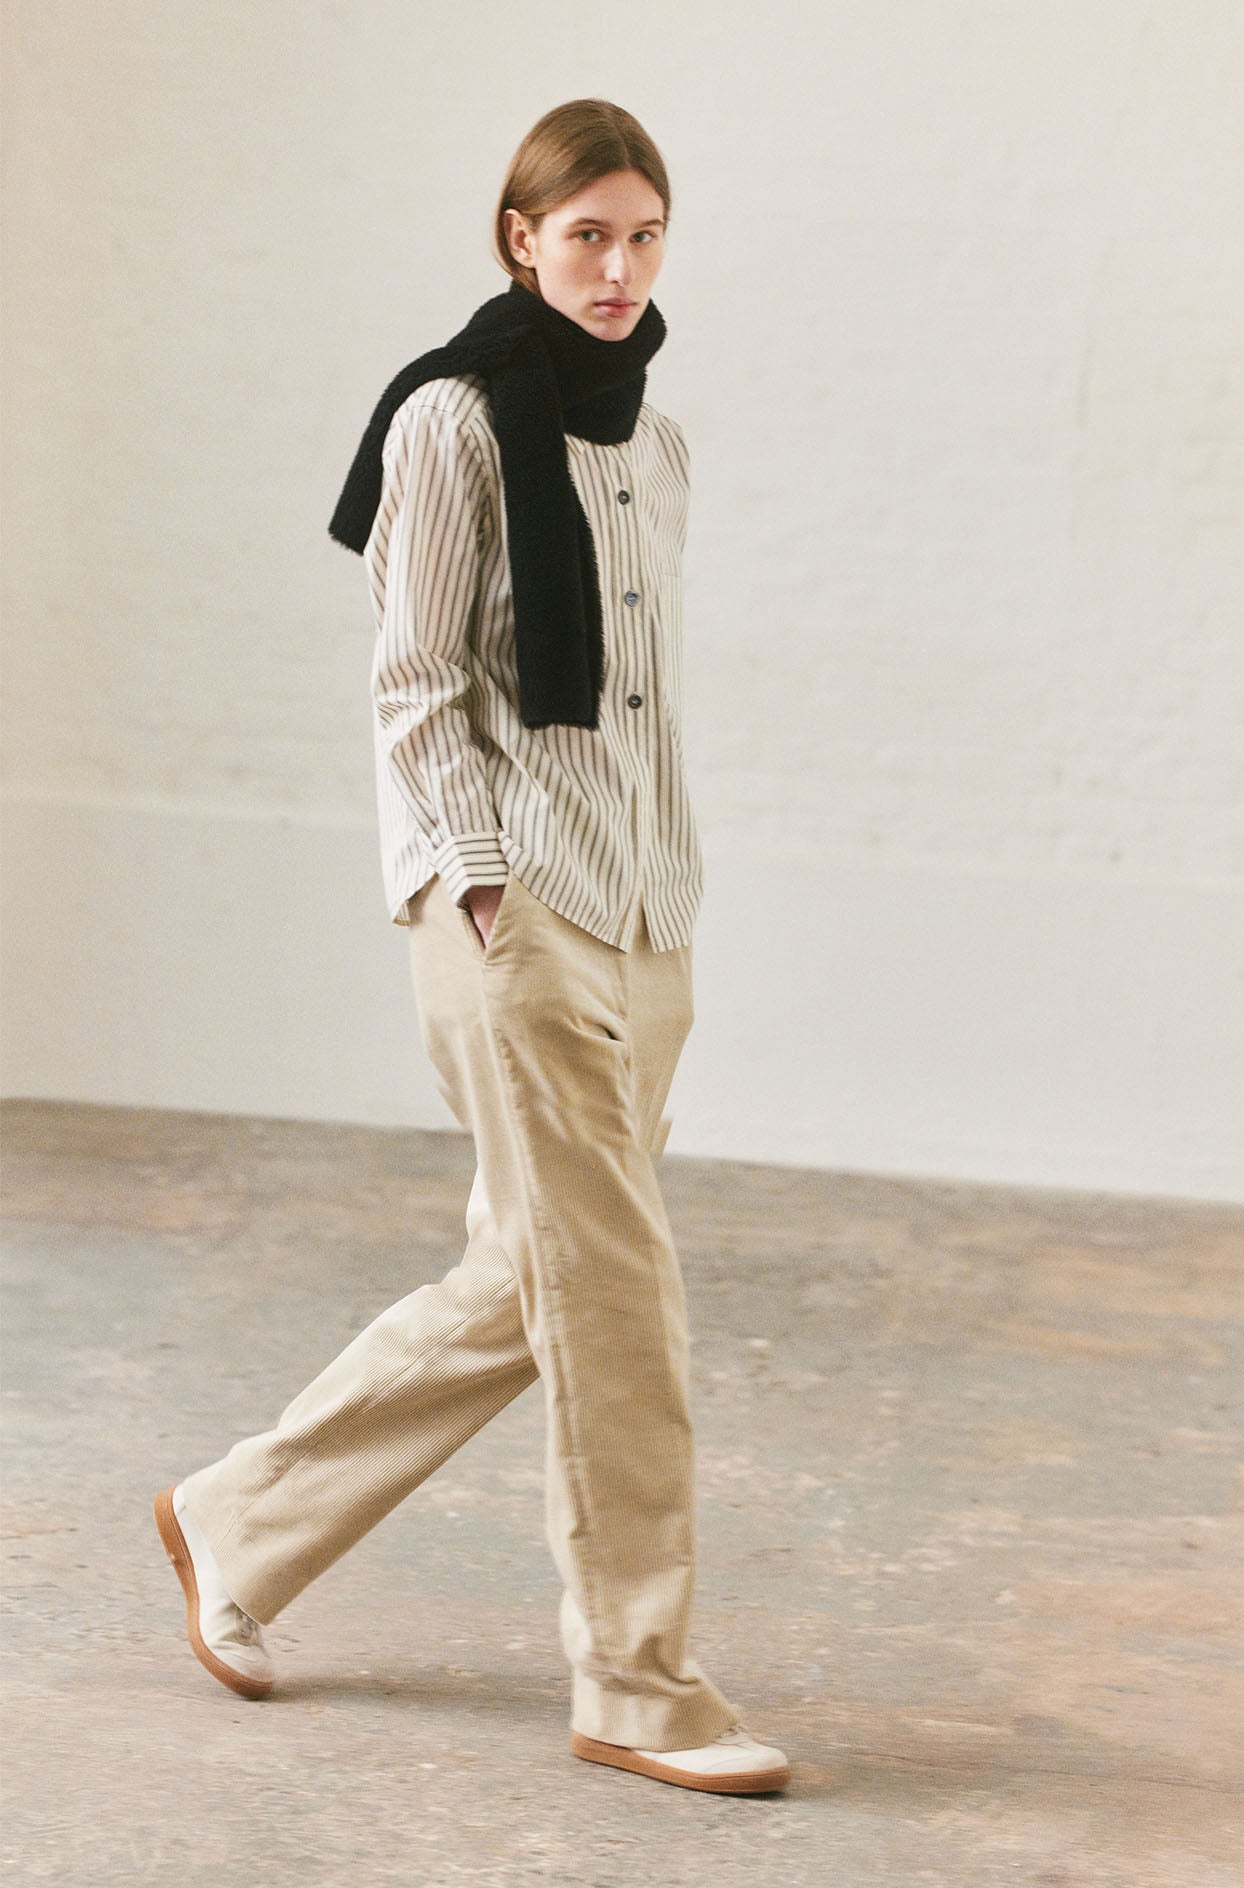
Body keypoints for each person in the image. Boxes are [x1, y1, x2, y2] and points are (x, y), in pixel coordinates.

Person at [153, 97, 789, 1797]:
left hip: (646, 913)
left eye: (644, 234)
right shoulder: (449, 420)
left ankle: (238, 1520)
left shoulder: (655, 444)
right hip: (515, 916)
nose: (616, 265)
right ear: (521, 237)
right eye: (585, 232)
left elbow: (642, 704)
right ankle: (636, 1680)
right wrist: (489, 886)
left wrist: (673, 893)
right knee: (621, 1293)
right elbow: (418, 680)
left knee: (538, 1280)